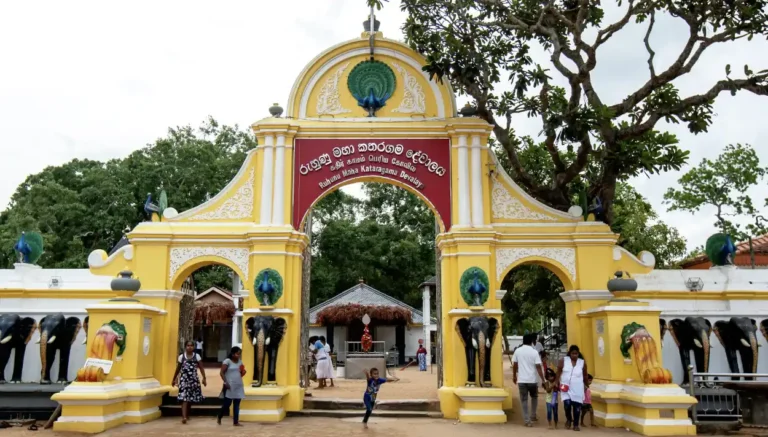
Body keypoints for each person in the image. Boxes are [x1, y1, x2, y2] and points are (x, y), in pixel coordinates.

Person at [512, 333, 545, 427]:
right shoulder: (534, 352)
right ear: (531, 341)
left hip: (522, 380)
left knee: (524, 400)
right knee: (534, 397)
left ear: (523, 341)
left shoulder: (518, 351)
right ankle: (533, 415)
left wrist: (514, 376)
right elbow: (538, 366)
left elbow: (515, 365)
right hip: (532, 380)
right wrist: (543, 379)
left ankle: (527, 420)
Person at [172, 340, 207, 424]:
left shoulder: (197, 356)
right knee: (184, 398)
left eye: (191, 346)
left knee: (190, 398)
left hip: (193, 380)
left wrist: (204, 378)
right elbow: (178, 368)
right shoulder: (181, 357)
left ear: (194, 347)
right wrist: (174, 379)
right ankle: (184, 417)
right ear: (185, 346)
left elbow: (201, 368)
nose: (189, 347)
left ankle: (187, 414)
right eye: (188, 345)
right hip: (184, 380)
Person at [556, 345, 588, 431]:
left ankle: (576, 424)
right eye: (573, 353)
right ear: (569, 353)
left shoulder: (582, 363)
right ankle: (569, 420)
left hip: (578, 388)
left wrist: (587, 385)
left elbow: (585, 375)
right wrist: (556, 382)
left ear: (578, 354)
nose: (574, 355)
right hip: (565, 387)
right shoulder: (563, 361)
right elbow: (558, 372)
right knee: (567, 404)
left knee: (577, 407)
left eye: (576, 353)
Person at [217, 346, 245, 427]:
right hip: (229, 385)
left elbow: (241, 374)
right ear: (233, 354)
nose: (239, 356)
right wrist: (225, 382)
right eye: (237, 354)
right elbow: (222, 373)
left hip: (238, 385)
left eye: (240, 354)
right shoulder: (227, 361)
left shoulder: (240, 362)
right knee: (227, 403)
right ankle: (220, 415)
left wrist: (243, 372)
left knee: (237, 404)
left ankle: (236, 421)